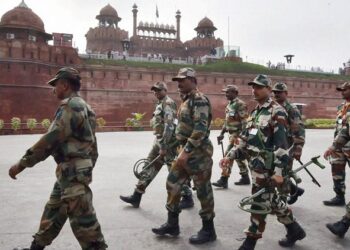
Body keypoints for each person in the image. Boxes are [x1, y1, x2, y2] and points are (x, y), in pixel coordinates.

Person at [8, 67, 107, 250]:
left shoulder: (70, 106)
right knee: (53, 211)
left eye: (55, 85)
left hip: (72, 173)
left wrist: (21, 164)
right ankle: (36, 247)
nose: (53, 89)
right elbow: (93, 146)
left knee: (84, 222)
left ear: (65, 84)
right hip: (69, 171)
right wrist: (87, 166)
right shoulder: (85, 107)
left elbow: (50, 140)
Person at [221, 75, 306, 250]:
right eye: (253, 87)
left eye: (259, 87)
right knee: (272, 199)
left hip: (267, 168)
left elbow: (281, 146)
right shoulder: (255, 112)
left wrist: (279, 172)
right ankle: (293, 228)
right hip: (256, 165)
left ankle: (250, 240)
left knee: (258, 201)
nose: (255, 90)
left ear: (268, 89)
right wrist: (230, 155)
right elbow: (245, 139)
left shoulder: (277, 111)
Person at [152, 68, 216, 244]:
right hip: (183, 152)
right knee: (172, 183)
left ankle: (209, 230)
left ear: (193, 80)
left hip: (198, 154)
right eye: (177, 81)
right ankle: (172, 224)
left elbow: (201, 129)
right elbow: (181, 129)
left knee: (203, 191)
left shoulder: (199, 100)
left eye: (182, 80)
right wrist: (170, 146)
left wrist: (186, 151)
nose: (178, 83)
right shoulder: (185, 100)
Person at [120, 81, 193, 209]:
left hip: (169, 144)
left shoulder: (168, 103)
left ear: (165, 90)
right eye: (154, 90)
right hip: (159, 142)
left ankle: (187, 197)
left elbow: (169, 126)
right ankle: (136, 196)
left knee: (174, 172)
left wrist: (164, 146)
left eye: (159, 90)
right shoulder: (160, 104)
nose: (156, 92)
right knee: (149, 166)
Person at [272, 82, 305, 205]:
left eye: (279, 92)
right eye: (274, 92)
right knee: (274, 172)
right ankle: (295, 190)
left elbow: (299, 130)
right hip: (273, 147)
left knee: (283, 173)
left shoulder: (291, 109)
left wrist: (298, 148)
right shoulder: (272, 107)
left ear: (286, 93)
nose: (276, 94)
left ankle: (282, 202)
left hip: (287, 146)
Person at [324, 85, 350, 235]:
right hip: (341, 147)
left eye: (345, 90)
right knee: (337, 171)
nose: (342, 93)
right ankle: (339, 196)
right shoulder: (342, 107)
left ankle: (344, 223)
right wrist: (334, 145)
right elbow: (344, 129)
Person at [212, 84, 249, 188]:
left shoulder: (240, 104)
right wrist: (221, 133)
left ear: (235, 93)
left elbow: (245, 122)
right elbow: (227, 121)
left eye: (228, 92)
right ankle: (245, 177)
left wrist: (242, 138)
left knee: (228, 156)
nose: (226, 94)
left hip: (237, 136)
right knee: (237, 157)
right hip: (231, 134)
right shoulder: (229, 105)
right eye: (226, 92)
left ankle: (223, 179)